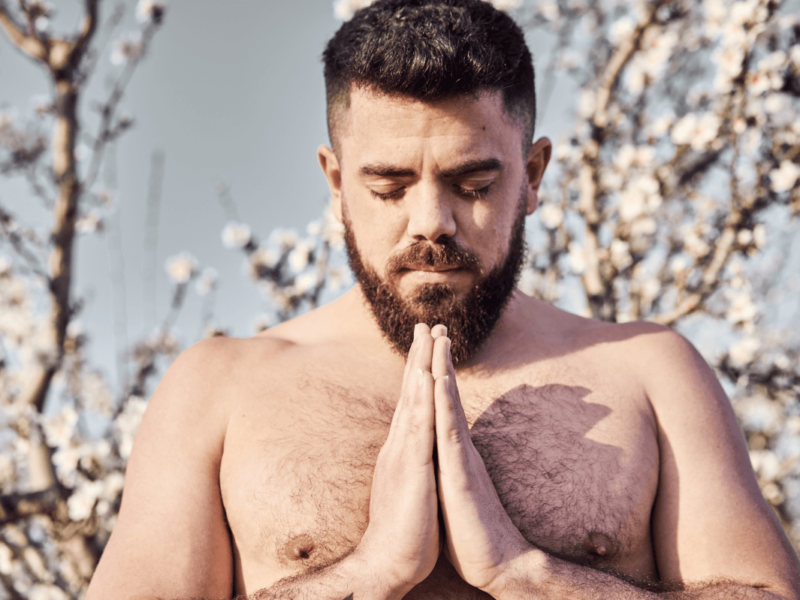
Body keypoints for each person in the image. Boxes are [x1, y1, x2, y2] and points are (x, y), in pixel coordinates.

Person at [86, 0, 800, 598]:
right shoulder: (219, 387)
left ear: (533, 173)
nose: (432, 222)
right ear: (336, 184)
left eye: (474, 185)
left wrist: (530, 576)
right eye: (389, 188)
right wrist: (367, 574)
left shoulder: (651, 373)